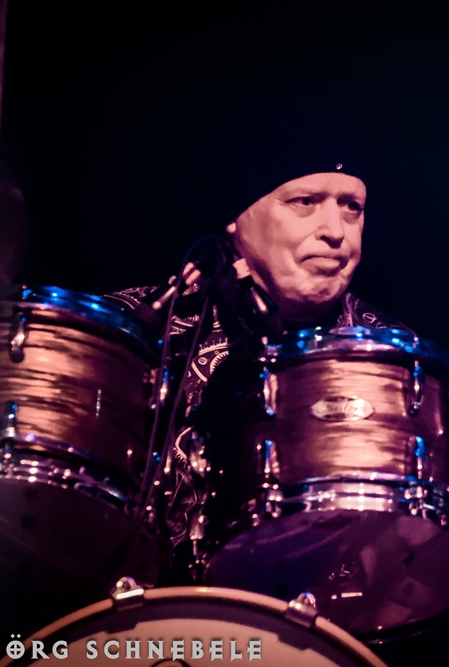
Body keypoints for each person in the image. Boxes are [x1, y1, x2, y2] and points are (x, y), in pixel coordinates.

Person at [104, 125, 409, 551]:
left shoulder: (396, 361)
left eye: (351, 208)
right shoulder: (122, 332)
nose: (335, 232)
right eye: (305, 202)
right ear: (237, 218)